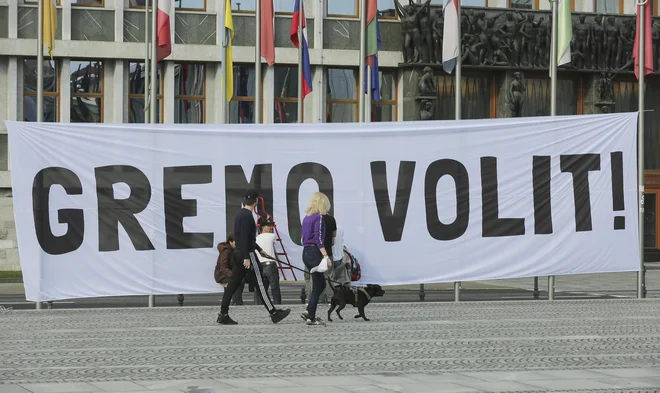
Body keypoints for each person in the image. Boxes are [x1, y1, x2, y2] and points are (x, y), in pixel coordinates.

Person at [217, 189, 291, 325]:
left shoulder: (240, 214)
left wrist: (259, 249)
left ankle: (223, 313)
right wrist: (248, 256)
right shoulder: (248, 216)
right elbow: (245, 238)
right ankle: (273, 313)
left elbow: (244, 238)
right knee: (260, 283)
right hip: (247, 255)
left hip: (238, 253)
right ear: (256, 201)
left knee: (233, 284)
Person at [300, 192, 333, 326]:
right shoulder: (318, 217)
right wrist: (325, 256)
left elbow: (303, 238)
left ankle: (310, 311)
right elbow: (318, 238)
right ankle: (310, 314)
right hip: (315, 252)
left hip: (306, 252)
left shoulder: (306, 217)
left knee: (317, 282)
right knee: (320, 284)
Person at [256, 219, 282, 305]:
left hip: (260, 265)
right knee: (275, 287)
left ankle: (260, 306)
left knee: (262, 289)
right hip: (270, 264)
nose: (271, 227)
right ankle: (277, 305)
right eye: (269, 226)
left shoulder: (256, 238)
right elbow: (274, 241)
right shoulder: (272, 236)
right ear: (263, 227)